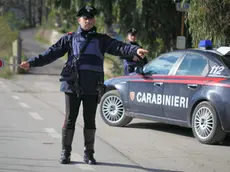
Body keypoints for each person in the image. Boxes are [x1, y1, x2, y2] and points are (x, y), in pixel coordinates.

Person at [20, 6, 148, 165]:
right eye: (84, 17)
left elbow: (120, 47)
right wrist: (32, 63)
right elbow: (51, 53)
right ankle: (65, 152)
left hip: (92, 86)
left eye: (91, 17)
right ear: (78, 20)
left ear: (94, 20)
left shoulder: (102, 40)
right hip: (72, 85)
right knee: (69, 120)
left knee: (90, 121)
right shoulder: (70, 38)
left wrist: (135, 50)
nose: (88, 20)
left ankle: (89, 154)